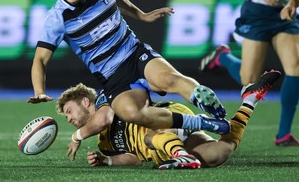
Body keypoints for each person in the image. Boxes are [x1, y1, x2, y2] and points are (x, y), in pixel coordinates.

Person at [28, 0, 230, 138]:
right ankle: (202, 122)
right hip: (112, 76)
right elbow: (40, 59)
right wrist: (39, 91)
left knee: (170, 80)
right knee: (132, 113)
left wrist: (141, 14)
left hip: (134, 53)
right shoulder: (57, 19)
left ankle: (208, 102)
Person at [56, 70, 281, 169]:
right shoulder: (103, 144)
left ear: (86, 101)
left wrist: (77, 136)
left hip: (165, 119)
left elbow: (104, 119)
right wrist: (107, 162)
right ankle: (250, 100)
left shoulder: (107, 97)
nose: (68, 119)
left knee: (148, 135)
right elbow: (134, 159)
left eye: (69, 111)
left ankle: (183, 153)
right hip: (162, 149)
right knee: (219, 154)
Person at [199, 0, 299, 146]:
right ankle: (224, 57)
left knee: (296, 68)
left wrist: (293, 2)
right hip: (258, 11)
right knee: (249, 81)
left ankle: (283, 134)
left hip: (286, 11)